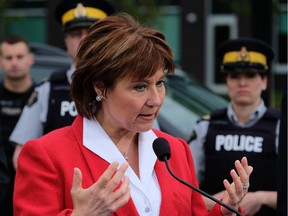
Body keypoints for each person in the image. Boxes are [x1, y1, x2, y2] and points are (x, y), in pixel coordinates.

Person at [13, 12, 253, 216]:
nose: (156, 100)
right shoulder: (46, 155)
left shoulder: (175, 150)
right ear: (100, 88)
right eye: (140, 87)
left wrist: (225, 209)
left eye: (159, 83)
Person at [9, 0, 116, 170]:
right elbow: (22, 154)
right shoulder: (48, 90)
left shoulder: (123, 87)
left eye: (91, 32)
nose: (84, 39)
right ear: (66, 42)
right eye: (76, 34)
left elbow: (147, 143)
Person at [189, 37, 280, 216]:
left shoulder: (280, 128)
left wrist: (262, 198)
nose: (242, 83)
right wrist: (219, 202)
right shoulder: (206, 127)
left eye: (250, 75)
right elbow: (184, 190)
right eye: (234, 76)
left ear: (264, 81)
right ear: (226, 82)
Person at [0, 34, 36, 216]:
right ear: (1, 61)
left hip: (32, 184)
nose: (14, 62)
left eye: (20, 57)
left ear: (31, 59)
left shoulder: (43, 98)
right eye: (8, 57)